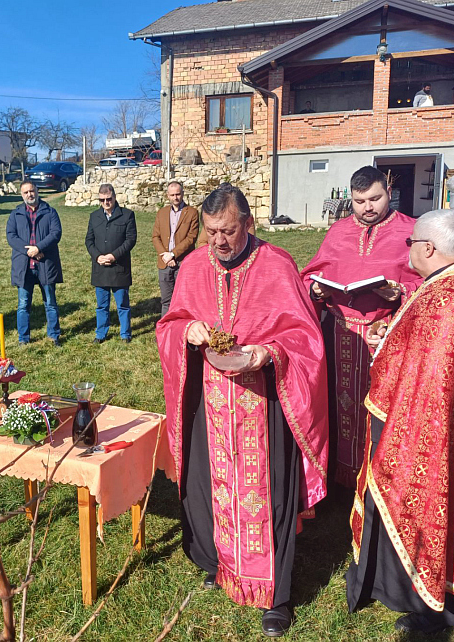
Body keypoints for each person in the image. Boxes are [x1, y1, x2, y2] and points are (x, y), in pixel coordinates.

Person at [156, 184, 328, 637]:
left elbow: (306, 339)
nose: (218, 242)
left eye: (228, 231)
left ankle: (278, 595)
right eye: (211, 232)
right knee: (210, 485)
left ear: (248, 224)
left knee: (268, 498)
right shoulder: (193, 266)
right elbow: (169, 324)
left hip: (264, 404)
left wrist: (268, 353)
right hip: (209, 402)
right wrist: (188, 328)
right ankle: (218, 563)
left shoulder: (276, 264)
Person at [347, 210, 454, 640]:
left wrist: (399, 432)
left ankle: (428, 602)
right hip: (423, 412)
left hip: (422, 425)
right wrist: (389, 334)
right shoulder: (453, 280)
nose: (407, 247)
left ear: (429, 248)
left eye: (412, 241)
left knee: (427, 504)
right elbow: (418, 346)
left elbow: (430, 381)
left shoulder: (452, 298)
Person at [299, 166, 422, 488]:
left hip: (386, 334)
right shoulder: (338, 231)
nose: (368, 207)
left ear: (388, 191)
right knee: (335, 406)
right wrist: (315, 289)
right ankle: (340, 477)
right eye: (359, 201)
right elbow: (312, 273)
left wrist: (400, 292)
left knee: (381, 407)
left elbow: (430, 284)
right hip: (339, 333)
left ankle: (379, 478)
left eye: (375, 198)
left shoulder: (412, 231)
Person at [6, 180, 63, 346]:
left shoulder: (50, 212)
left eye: (32, 191)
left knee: (50, 303)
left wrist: (38, 248)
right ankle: (23, 339)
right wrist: (28, 251)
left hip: (46, 264)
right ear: (21, 195)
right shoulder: (15, 214)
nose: (29, 194)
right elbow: (11, 236)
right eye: (25, 192)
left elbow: (55, 234)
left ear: (37, 191)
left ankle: (54, 336)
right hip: (24, 267)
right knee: (23, 304)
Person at [85, 184, 136, 343]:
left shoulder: (127, 215)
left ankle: (125, 334)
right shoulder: (94, 216)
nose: (106, 202)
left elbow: (130, 240)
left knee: (122, 304)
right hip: (100, 267)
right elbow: (89, 240)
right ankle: (101, 334)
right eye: (102, 200)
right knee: (101, 305)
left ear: (114, 197)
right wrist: (97, 256)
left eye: (109, 199)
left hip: (119, 267)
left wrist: (114, 256)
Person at [151, 180, 199, 317]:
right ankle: (165, 330)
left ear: (183, 194)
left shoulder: (192, 213)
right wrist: (165, 256)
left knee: (183, 299)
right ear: (167, 196)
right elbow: (155, 237)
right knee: (166, 301)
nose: (175, 198)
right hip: (164, 262)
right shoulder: (162, 213)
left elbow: (191, 238)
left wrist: (173, 254)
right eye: (172, 195)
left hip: (182, 262)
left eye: (178, 194)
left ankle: (183, 330)